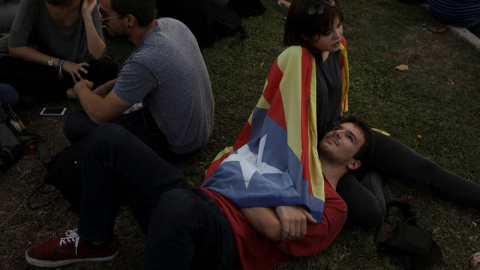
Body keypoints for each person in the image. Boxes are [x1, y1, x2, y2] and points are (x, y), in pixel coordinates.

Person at [24, 115, 373, 268]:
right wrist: (272, 199)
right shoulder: (289, 157)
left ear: (354, 163)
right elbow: (224, 165)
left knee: (178, 205)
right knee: (108, 138)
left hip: (225, 244)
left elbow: (272, 229)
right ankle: (95, 240)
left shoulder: (334, 206)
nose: (337, 134)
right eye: (338, 128)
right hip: (197, 200)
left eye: (348, 138)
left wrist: (255, 192)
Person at [274, 0, 480, 228]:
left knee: (427, 170)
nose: (337, 35)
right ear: (304, 35)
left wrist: (346, 135)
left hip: (346, 135)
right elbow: (279, 122)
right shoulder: (297, 60)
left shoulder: (335, 49)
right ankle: (372, 172)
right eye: (326, 32)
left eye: (338, 25)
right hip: (319, 153)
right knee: (371, 213)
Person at [64, 0, 214, 158]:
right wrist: (107, 86)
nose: (101, 19)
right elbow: (153, 74)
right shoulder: (172, 24)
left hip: (178, 144)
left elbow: (99, 114)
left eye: (105, 15)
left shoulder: (144, 60)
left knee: (76, 124)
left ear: (129, 20)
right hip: (200, 130)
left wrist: (81, 88)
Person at [0, 0, 118, 101]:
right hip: (48, 63)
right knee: (5, 66)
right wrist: (62, 63)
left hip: (80, 67)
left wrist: (87, 17)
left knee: (108, 70)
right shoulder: (31, 3)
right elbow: (15, 47)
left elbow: (98, 55)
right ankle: (69, 92)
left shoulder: (87, 4)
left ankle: (46, 91)